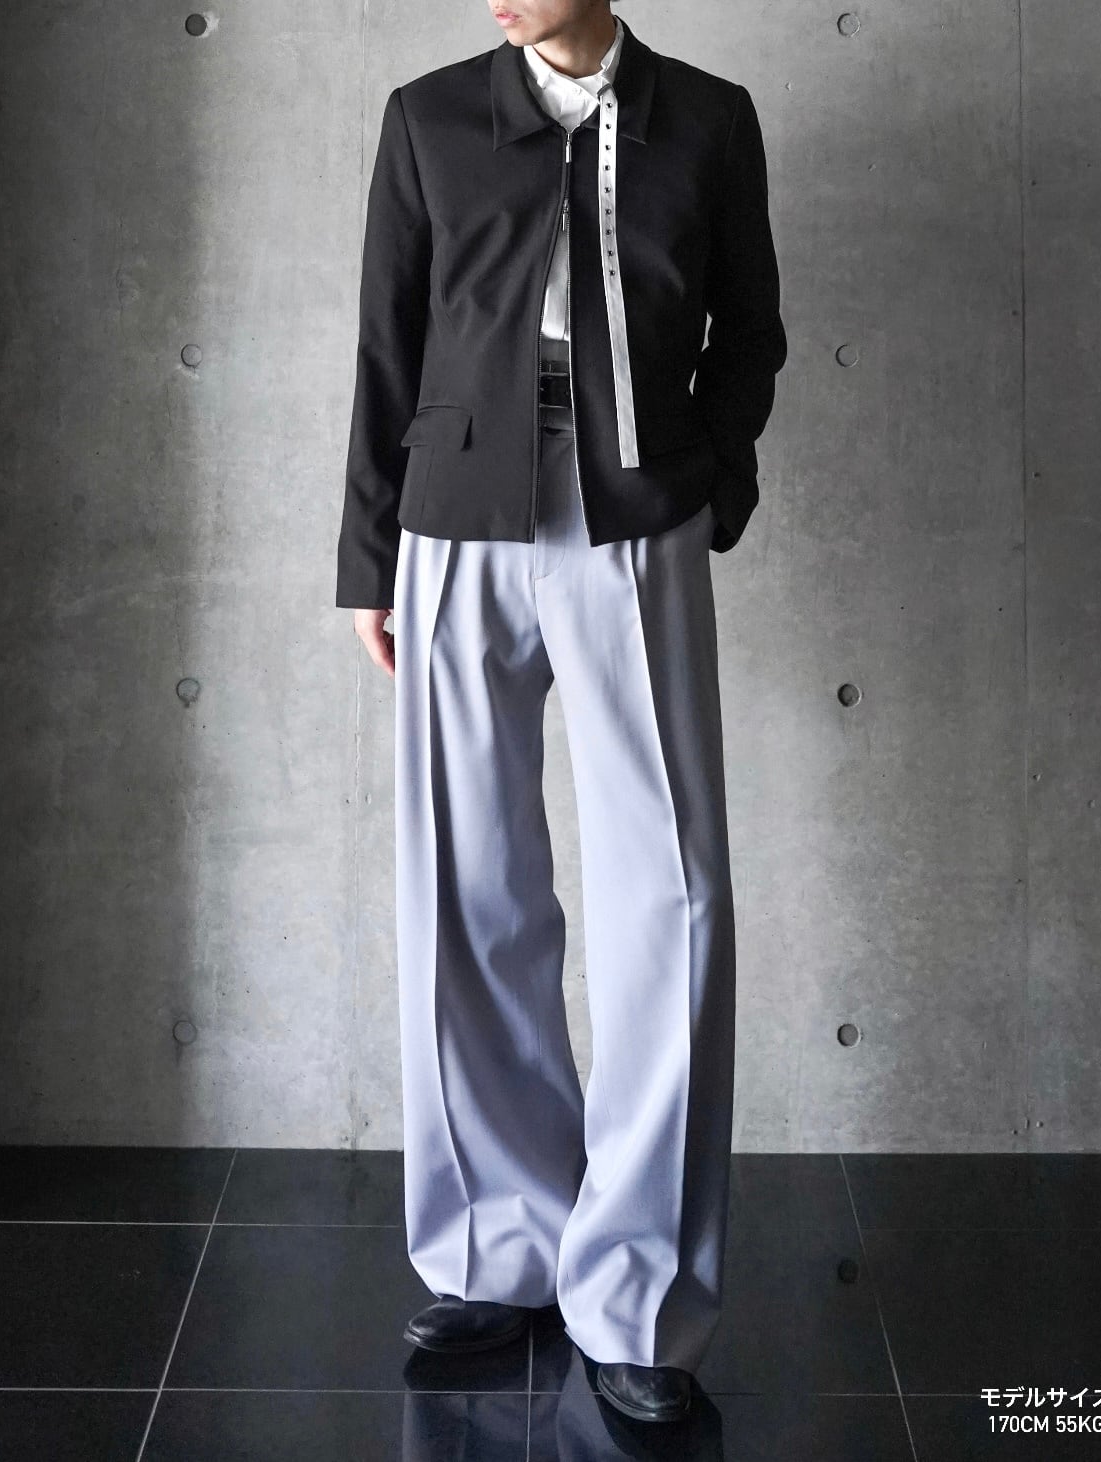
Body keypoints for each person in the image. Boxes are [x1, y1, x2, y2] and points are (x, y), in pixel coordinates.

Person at [336, 0, 786, 1424]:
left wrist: (708, 486)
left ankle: (639, 1294)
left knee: (671, 896)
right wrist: (368, 560)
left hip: (634, 518)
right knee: (468, 886)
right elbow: (387, 342)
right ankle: (496, 1244)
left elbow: (751, 329)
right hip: (454, 520)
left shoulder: (706, 119)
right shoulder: (428, 117)